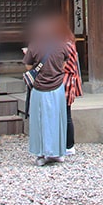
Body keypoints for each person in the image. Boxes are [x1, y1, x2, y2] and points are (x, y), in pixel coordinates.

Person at [22, 10, 70, 166]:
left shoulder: (34, 45)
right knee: (58, 120)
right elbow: (64, 64)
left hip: (39, 89)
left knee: (40, 121)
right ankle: (58, 152)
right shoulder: (62, 46)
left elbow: (28, 66)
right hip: (57, 88)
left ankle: (42, 153)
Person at [61, 20, 83, 156]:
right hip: (70, 81)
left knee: (65, 114)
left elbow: (63, 66)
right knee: (67, 113)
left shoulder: (64, 46)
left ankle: (68, 145)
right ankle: (69, 145)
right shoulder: (70, 43)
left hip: (65, 81)